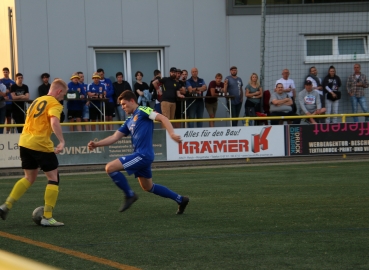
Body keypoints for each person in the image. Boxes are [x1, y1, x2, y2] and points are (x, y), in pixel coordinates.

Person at [87, 90, 189, 214]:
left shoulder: (143, 110)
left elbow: (162, 117)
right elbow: (114, 137)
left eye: (124, 104)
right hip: (142, 156)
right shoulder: (129, 120)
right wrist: (97, 144)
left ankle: (130, 195)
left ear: (132, 101)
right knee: (148, 187)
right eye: (121, 105)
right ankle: (180, 199)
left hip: (143, 155)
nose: (122, 107)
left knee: (110, 168)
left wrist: (172, 133)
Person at [0, 79, 68, 226]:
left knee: (29, 177)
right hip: (40, 143)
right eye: (63, 94)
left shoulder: (37, 100)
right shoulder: (54, 103)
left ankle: (6, 205)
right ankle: (47, 217)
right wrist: (61, 141)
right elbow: (54, 121)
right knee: (53, 178)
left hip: (25, 142)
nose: (63, 98)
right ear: (58, 91)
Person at [1, 67, 15, 133]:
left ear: (9, 72)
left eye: (6, 72)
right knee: (2, 118)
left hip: (9, 102)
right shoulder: (1, 81)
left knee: (9, 117)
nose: (5, 73)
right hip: (2, 102)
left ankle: (8, 131)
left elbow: (13, 91)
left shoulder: (12, 81)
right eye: (4, 72)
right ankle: (2, 131)